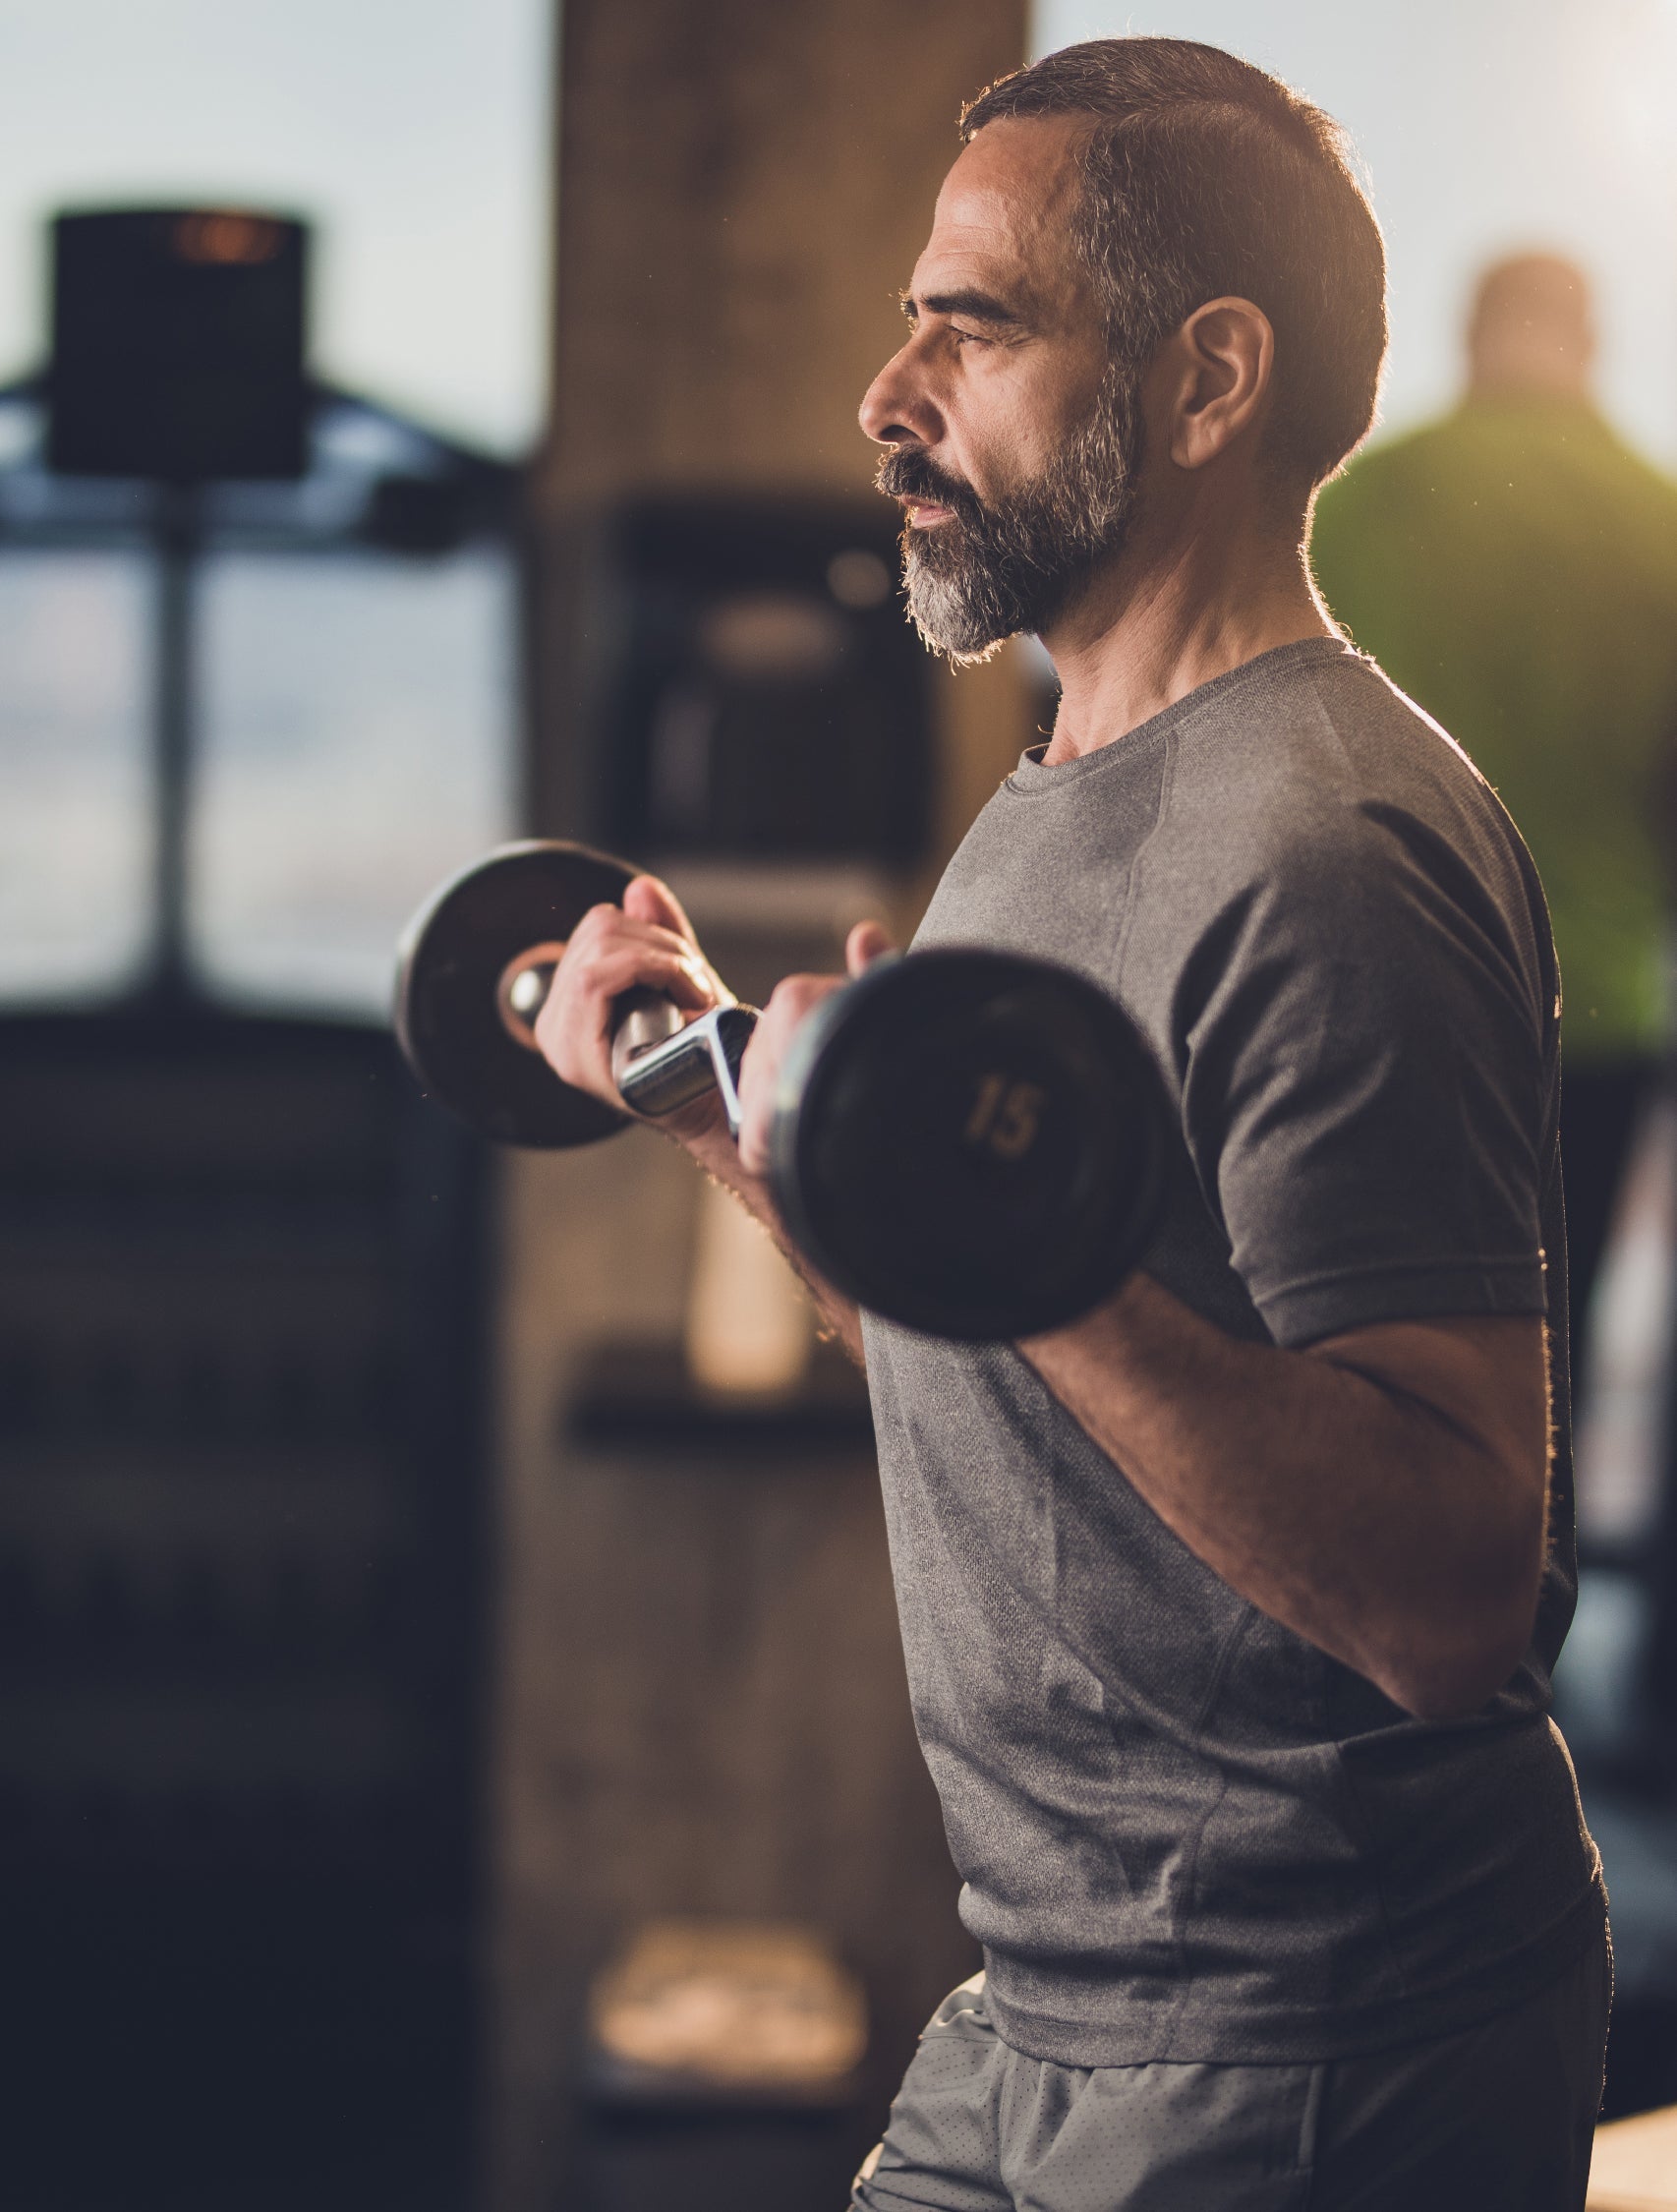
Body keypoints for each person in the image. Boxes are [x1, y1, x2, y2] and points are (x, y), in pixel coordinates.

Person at [533, 37, 1607, 2211]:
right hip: (1054, 1999)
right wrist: (718, 1092)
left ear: (1207, 381)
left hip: (1311, 2033)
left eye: (979, 323)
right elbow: (983, 1324)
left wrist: (999, 1234)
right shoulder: (1048, 805)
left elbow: (1452, 1592)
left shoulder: (1329, 847)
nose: (887, 391)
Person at [1313, 253, 1677, 1398]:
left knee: (1351, 1355)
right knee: (1543, 1365)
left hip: (1369, 988)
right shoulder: (1659, 521)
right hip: (1599, 1004)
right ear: (1590, 342)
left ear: (1470, 336)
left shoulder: (1360, 501)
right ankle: (1519, 1577)